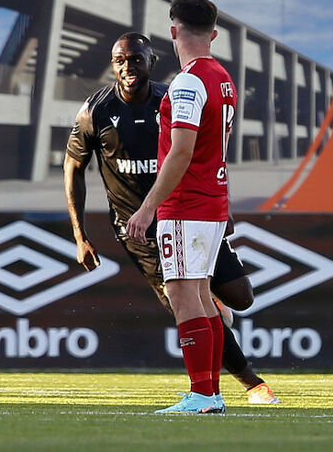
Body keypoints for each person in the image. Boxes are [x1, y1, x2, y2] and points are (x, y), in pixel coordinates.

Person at [64, 30, 277, 412]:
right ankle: (248, 384)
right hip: (140, 229)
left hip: (190, 212)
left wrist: (221, 210)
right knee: (185, 302)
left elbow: (204, 153)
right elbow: (73, 166)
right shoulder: (94, 111)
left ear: (151, 61)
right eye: (120, 60)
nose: (128, 66)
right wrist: (80, 235)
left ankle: (210, 384)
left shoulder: (173, 98)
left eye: (136, 59)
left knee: (240, 297)